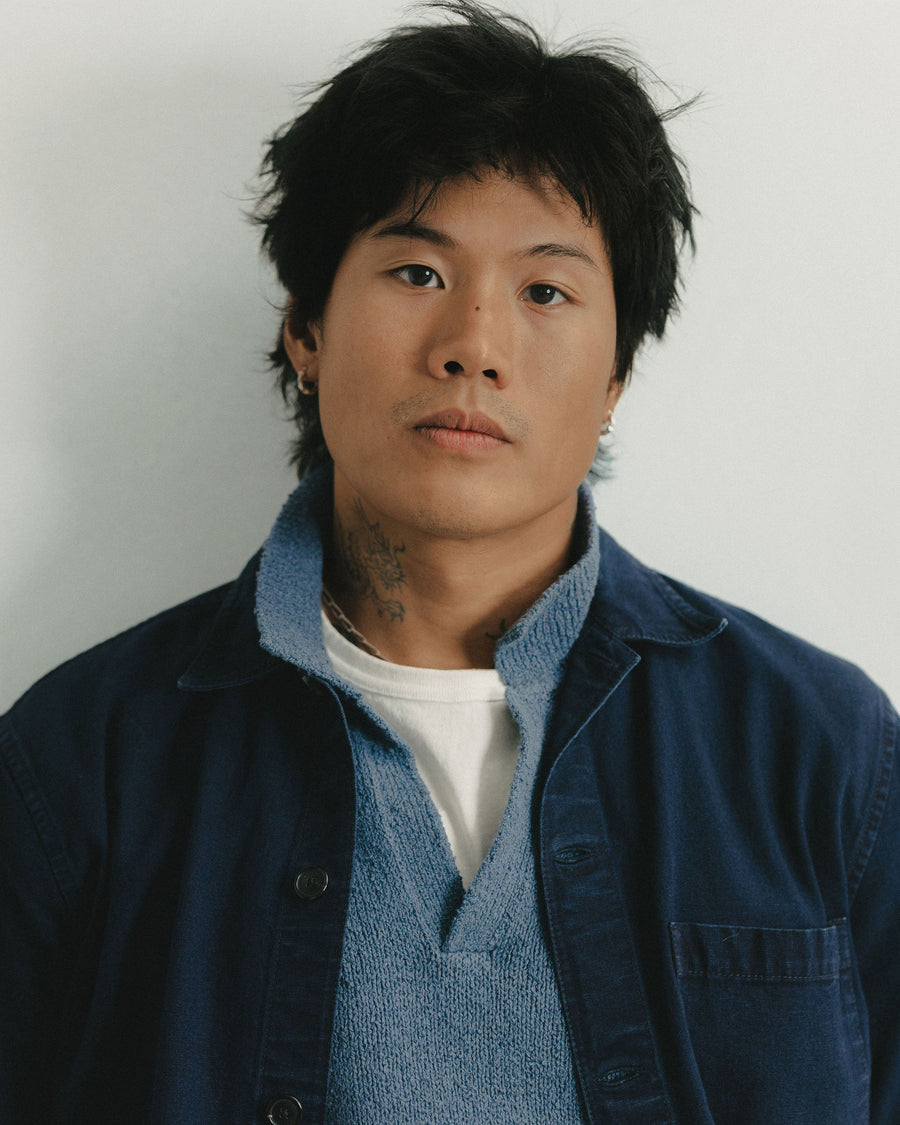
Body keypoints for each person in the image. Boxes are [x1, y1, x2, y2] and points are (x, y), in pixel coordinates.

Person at [1, 2, 897, 1122]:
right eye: (418, 272)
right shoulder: (84, 760)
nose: (474, 343)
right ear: (307, 327)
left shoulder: (819, 751)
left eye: (546, 290)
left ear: (616, 377)